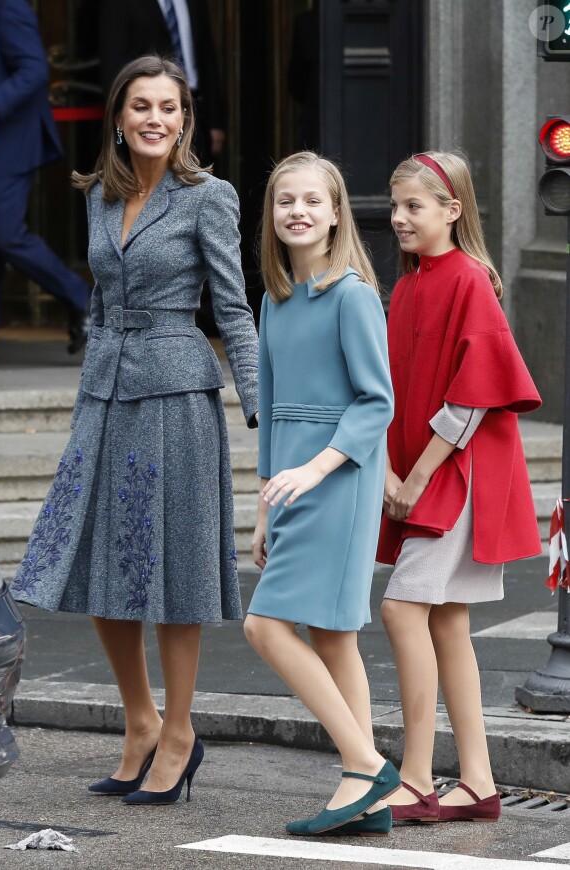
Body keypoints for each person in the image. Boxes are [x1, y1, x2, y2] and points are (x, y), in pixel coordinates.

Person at [10, 55, 258, 806]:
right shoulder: (97, 196)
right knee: (95, 566)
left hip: (177, 397)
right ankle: (141, 721)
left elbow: (234, 311)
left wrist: (261, 412)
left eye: (170, 107)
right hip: (105, 396)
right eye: (142, 106)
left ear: (185, 118)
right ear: (118, 117)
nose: (156, 119)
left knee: (173, 574)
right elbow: (98, 299)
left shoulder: (207, 197)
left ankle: (180, 732)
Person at [378, 151, 542, 823]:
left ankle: (417, 777)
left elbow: (472, 399)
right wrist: (393, 470)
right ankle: (477, 781)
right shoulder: (410, 285)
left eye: (413, 207)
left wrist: (415, 476)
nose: (398, 218)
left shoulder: (469, 280)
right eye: (394, 207)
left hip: (459, 473)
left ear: (452, 211)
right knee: (446, 621)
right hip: (426, 471)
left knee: (401, 608)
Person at [245, 151, 398, 837]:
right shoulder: (273, 302)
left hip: (340, 477)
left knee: (264, 625)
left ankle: (365, 766)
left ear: (336, 213)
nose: (298, 211)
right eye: (285, 201)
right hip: (292, 480)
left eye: (312, 200)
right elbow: (272, 409)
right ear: (272, 216)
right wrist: (262, 504)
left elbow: (376, 403)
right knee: (334, 639)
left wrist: (315, 469)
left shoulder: (354, 296)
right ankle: (372, 798)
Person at [0, 0, 90, 365]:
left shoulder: (6, 5)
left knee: (3, 233)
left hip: (9, 142)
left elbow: (34, 68)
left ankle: (81, 298)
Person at [98, 0, 225, 163]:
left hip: (196, 106)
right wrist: (120, 116)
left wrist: (216, 121)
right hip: (144, 108)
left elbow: (207, 57)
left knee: (195, 175)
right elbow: (112, 62)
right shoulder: (118, 4)